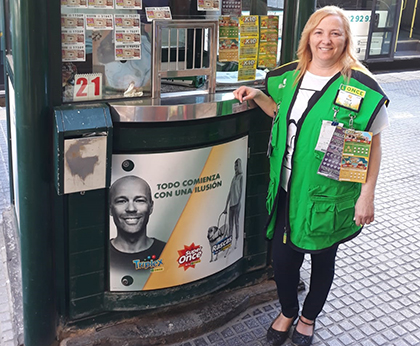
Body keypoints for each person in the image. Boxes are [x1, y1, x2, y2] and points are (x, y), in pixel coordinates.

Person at [233, 6, 389, 346]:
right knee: (283, 260)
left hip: (326, 194)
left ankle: (307, 318)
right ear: (308, 37)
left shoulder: (361, 86)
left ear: (346, 38)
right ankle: (288, 310)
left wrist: (367, 194)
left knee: (322, 258)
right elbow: (284, 116)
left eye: (335, 33)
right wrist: (259, 95)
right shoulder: (290, 77)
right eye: (319, 32)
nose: (326, 40)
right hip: (287, 188)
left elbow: (372, 143)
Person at [109, 175, 166, 289]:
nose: (131, 208)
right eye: (122, 201)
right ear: (110, 209)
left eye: (139, 200)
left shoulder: (168, 252)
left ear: (151, 207)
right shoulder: (100, 256)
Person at [223, 158, 244, 249]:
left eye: (237, 165)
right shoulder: (233, 178)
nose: (235, 168)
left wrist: (239, 202)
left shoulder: (241, 177)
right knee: (230, 224)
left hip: (237, 204)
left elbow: (241, 191)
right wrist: (225, 207)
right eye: (234, 166)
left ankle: (237, 240)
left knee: (237, 222)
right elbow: (229, 192)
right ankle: (229, 241)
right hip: (231, 204)